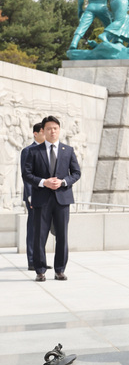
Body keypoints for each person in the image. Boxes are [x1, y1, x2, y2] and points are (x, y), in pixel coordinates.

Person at [22, 116, 81, 282]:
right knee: (39, 236)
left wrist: (63, 182)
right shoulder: (34, 151)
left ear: (59, 130)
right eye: (48, 129)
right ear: (43, 131)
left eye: (55, 128)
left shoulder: (68, 150)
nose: (52, 131)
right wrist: (43, 182)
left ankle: (60, 270)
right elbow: (26, 174)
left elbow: (76, 173)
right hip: (41, 199)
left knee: (62, 236)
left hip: (62, 199)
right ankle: (40, 270)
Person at [20, 122, 45, 271]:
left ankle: (40, 260)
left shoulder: (47, 150)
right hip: (33, 197)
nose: (46, 134)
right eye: (43, 131)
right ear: (35, 133)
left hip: (46, 196)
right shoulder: (27, 151)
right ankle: (31, 260)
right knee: (33, 228)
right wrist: (30, 196)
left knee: (43, 229)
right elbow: (26, 175)